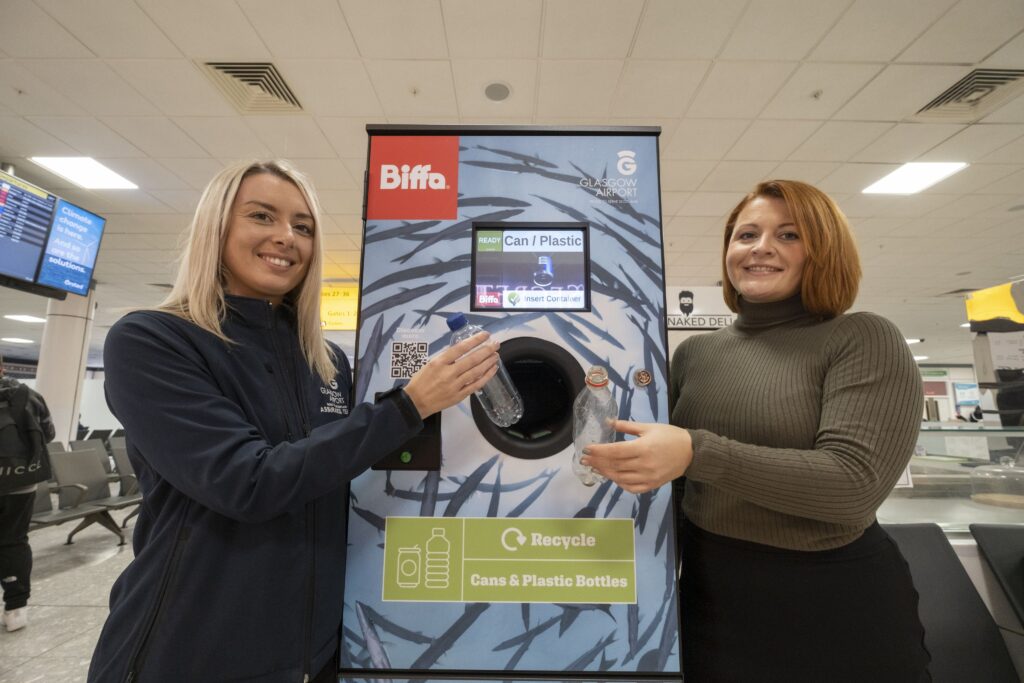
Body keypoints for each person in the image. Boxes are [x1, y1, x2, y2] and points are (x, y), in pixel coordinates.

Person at [87, 160, 500, 682]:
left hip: (313, 655)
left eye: (303, 227)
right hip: (191, 649)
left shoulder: (325, 360)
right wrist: (408, 406)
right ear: (218, 227)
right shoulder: (154, 340)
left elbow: (338, 473)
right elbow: (246, 482)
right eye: (262, 216)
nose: (286, 238)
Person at [582, 180, 930, 681]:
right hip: (711, 597)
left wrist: (696, 451)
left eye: (788, 235)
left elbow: (854, 484)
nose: (761, 247)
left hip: (834, 604)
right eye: (746, 234)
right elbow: (677, 487)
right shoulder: (696, 354)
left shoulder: (862, 337)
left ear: (824, 251)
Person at [0, 357, 55, 633]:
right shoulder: (29, 395)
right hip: (21, 481)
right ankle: (15, 608)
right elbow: (48, 433)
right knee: (14, 540)